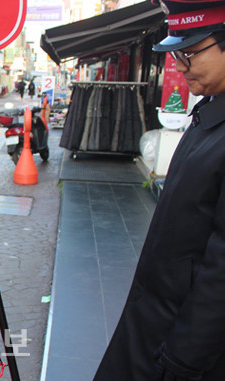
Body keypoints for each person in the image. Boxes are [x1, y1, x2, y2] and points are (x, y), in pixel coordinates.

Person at [94, 1, 225, 380]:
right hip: (153, 320)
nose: (181, 66)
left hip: (182, 345)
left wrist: (184, 359)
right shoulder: (209, 113)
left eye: (190, 53)